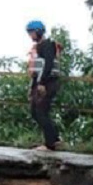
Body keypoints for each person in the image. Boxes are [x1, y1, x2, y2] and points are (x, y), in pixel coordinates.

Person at [26, 20, 63, 151]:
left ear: (39, 31)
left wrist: (42, 84)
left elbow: (47, 65)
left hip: (48, 83)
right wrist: (32, 87)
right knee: (35, 112)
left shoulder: (48, 45)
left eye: (32, 33)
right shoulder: (40, 47)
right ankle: (55, 138)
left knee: (41, 112)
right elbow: (38, 69)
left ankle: (50, 144)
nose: (30, 36)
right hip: (41, 82)